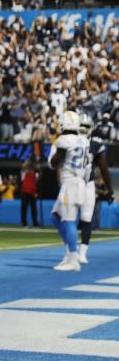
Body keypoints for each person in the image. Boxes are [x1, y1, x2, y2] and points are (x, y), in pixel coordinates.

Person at [48, 110, 89, 272]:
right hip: (77, 182)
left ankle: (74, 258)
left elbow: (54, 162)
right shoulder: (83, 140)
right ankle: (69, 252)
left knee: (68, 220)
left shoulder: (63, 141)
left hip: (70, 183)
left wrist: (52, 153)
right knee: (55, 217)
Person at [77, 113, 113, 264]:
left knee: (86, 217)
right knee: (67, 217)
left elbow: (103, 166)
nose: (84, 130)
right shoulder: (68, 140)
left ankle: (82, 252)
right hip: (72, 181)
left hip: (87, 181)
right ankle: (71, 251)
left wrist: (109, 188)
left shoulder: (95, 142)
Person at [20, 158, 39, 227]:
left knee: (34, 209)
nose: (29, 169)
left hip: (33, 193)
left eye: (31, 168)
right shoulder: (24, 173)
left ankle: (35, 223)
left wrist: (35, 162)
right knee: (24, 208)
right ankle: (24, 223)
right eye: (28, 167)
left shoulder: (36, 174)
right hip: (24, 192)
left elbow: (36, 183)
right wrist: (28, 160)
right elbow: (23, 166)